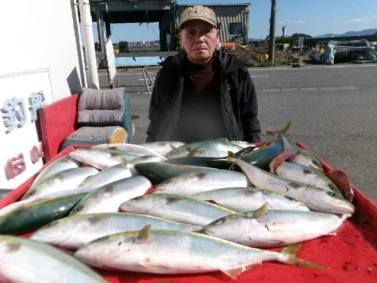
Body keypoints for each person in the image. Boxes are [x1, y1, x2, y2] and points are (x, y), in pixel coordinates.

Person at [146, 5, 261, 143]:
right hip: (179, 157)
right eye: (191, 33)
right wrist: (150, 154)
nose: (200, 39)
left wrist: (255, 153)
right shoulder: (168, 74)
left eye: (206, 32)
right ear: (181, 39)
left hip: (227, 155)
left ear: (217, 36)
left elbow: (250, 119)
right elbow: (156, 121)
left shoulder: (236, 72)